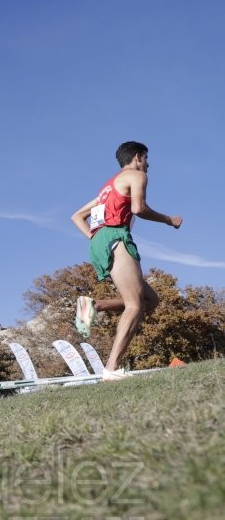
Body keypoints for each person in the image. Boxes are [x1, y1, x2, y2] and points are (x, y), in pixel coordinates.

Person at [70, 142, 182, 380]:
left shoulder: (106, 189)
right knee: (134, 305)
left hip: (100, 242)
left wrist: (95, 235)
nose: (148, 164)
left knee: (150, 301)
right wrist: (168, 220)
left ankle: (95, 306)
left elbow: (77, 216)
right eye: (147, 158)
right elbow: (138, 208)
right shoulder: (137, 175)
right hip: (115, 237)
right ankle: (111, 368)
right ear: (138, 157)